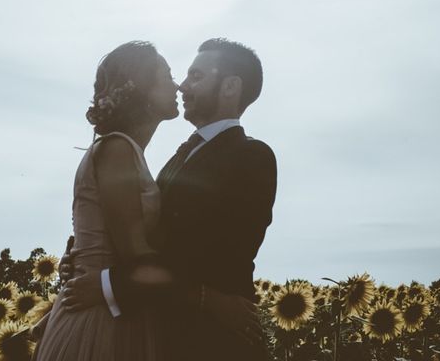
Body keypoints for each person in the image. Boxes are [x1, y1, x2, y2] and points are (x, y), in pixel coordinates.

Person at [60, 38, 278, 361]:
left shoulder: (252, 157)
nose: (182, 86)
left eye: (196, 76)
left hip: (215, 341)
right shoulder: (175, 159)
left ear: (231, 87)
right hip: (163, 334)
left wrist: (110, 282)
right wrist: (80, 259)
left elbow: (202, 253)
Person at [32, 41, 178, 361]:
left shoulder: (124, 151)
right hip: (102, 321)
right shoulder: (117, 150)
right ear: (142, 89)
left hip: (110, 306)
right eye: (167, 76)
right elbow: (134, 253)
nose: (177, 85)